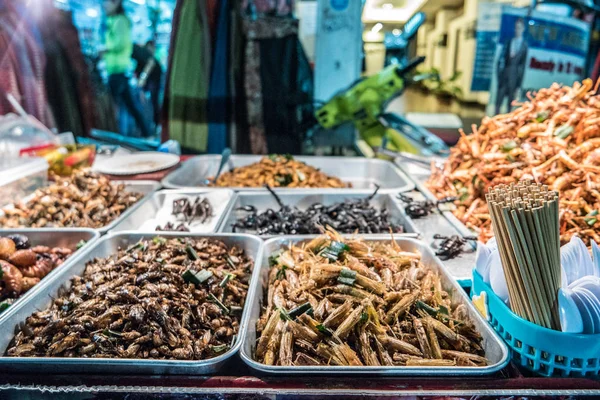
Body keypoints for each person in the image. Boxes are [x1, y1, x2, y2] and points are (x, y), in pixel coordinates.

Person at [102, 0, 152, 137]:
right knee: (130, 106)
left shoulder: (120, 21)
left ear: (116, 3)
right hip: (117, 70)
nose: (104, 5)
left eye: (107, 2)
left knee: (118, 107)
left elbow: (121, 43)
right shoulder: (112, 21)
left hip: (118, 70)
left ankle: (125, 135)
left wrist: (105, 49)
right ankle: (143, 132)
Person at [495, 18, 528, 115]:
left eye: (519, 28)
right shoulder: (509, 42)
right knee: (499, 101)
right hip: (504, 75)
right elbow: (501, 59)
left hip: (514, 78)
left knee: (510, 102)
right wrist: (499, 74)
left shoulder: (524, 46)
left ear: (523, 29)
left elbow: (522, 66)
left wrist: (519, 84)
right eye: (516, 28)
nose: (517, 30)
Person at [131, 40, 163, 126]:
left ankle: (156, 124)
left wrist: (142, 78)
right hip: (149, 79)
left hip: (154, 76)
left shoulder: (134, 49)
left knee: (153, 101)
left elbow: (151, 63)